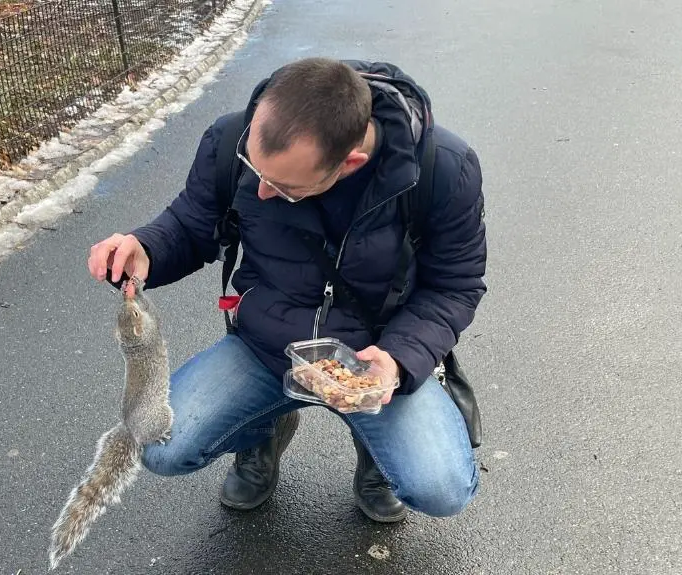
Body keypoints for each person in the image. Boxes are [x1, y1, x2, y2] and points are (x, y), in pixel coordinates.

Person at [86, 57, 487, 522]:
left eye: (284, 187)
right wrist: (145, 248)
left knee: (440, 488)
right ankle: (263, 432)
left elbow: (454, 286)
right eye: (255, 173)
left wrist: (397, 363)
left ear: (349, 163)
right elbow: (191, 224)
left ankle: (376, 456)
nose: (261, 193)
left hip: (373, 355)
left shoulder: (442, 169)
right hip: (267, 346)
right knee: (161, 447)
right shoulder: (233, 137)